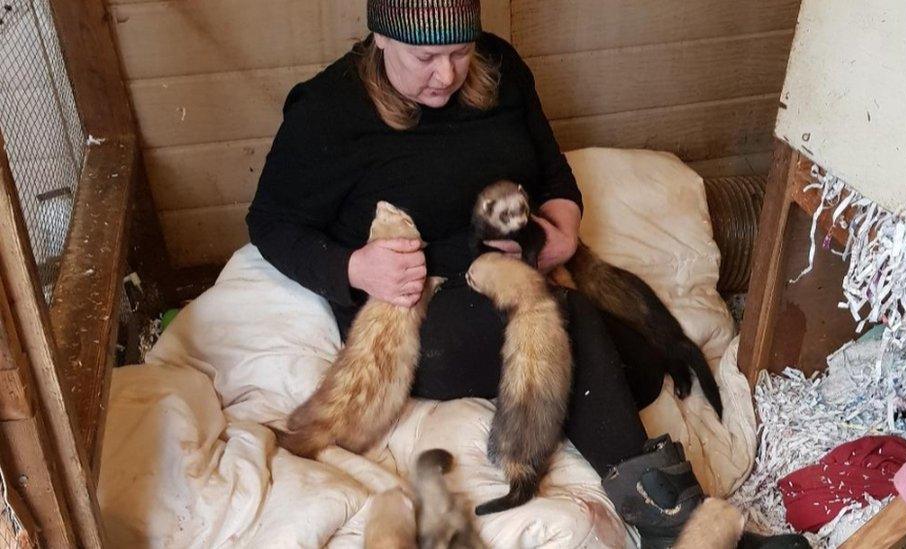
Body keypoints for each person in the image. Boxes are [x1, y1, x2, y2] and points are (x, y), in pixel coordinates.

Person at [246, 1, 725, 545]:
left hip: (510, 268)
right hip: (419, 302)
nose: (447, 74)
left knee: (639, 370)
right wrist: (354, 267)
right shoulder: (329, 110)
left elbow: (552, 174)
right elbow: (271, 222)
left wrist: (564, 224)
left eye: (460, 51)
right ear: (379, 38)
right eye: (425, 56)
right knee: (559, 320)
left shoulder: (502, 68)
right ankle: (677, 526)